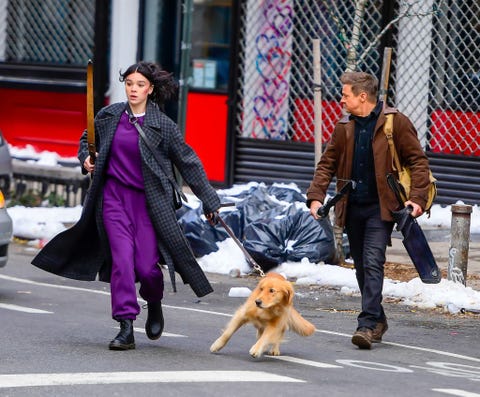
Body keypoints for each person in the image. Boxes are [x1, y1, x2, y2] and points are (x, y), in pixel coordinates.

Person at [32, 61, 221, 350]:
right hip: (112, 199)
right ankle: (125, 326)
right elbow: (87, 139)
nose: (133, 89)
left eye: (140, 85)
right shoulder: (109, 116)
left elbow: (189, 162)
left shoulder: (163, 126)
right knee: (121, 260)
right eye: (129, 83)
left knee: (147, 267)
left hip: (148, 203)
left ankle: (154, 301)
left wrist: (210, 200)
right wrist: (86, 158)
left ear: (151, 89)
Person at [306, 71, 432, 349]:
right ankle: (378, 319)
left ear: (362, 96)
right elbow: (327, 164)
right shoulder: (344, 127)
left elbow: (418, 162)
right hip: (352, 207)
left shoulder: (395, 123)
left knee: (373, 261)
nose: (341, 99)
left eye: (345, 94)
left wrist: (418, 199)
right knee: (362, 268)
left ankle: (366, 325)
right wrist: (316, 197)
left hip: (382, 209)